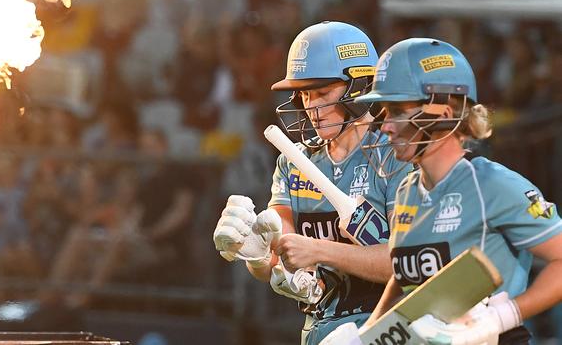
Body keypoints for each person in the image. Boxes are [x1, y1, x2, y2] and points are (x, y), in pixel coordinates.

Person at [323, 38, 562, 344]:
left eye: (397, 110)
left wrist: (505, 316)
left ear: (443, 113)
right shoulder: (408, 189)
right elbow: (404, 279)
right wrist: (369, 335)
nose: (385, 126)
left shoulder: (493, 184)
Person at [212, 21, 412, 345]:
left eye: (322, 92)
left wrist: (320, 250)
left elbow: (406, 264)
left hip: (388, 330)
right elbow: (280, 254)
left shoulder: (398, 155)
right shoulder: (293, 161)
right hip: (318, 330)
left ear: (358, 86)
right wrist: (255, 253)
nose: (311, 107)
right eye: (304, 93)